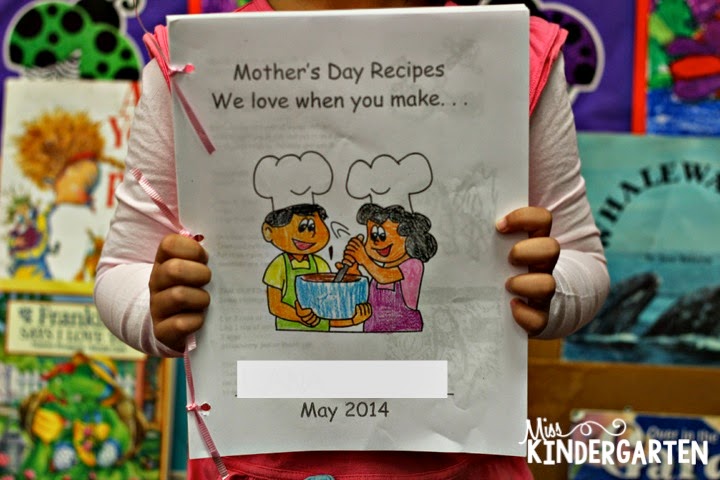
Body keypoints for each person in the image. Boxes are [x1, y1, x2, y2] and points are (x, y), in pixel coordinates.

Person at [94, 0, 610, 477]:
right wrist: (159, 310)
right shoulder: (195, 64)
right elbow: (121, 272)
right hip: (252, 463)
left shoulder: (508, 58)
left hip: (460, 461)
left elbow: (582, 261)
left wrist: (547, 292)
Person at [343, 203, 437, 332]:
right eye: (372, 236)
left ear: (409, 238)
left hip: (404, 332)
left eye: (382, 236)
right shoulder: (378, 271)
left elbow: (384, 277)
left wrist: (364, 259)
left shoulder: (413, 265)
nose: (376, 242)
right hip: (373, 330)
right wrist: (353, 271)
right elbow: (366, 294)